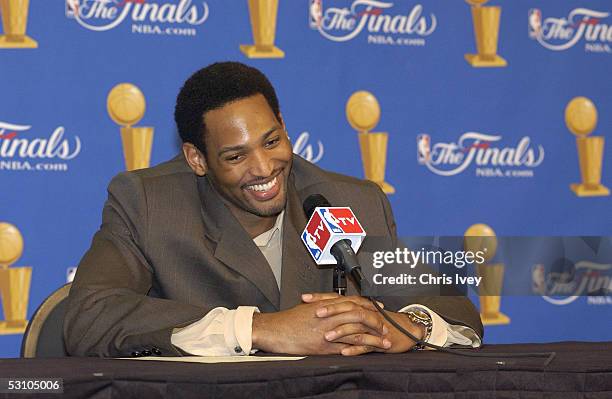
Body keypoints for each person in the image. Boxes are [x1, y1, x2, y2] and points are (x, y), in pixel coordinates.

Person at [64, 62, 483, 357]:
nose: (264, 169)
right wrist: (260, 328)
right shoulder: (148, 203)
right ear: (196, 158)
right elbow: (89, 317)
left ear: (283, 124)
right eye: (235, 156)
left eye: (271, 141)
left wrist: (406, 327)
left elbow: (457, 312)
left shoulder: (349, 201)